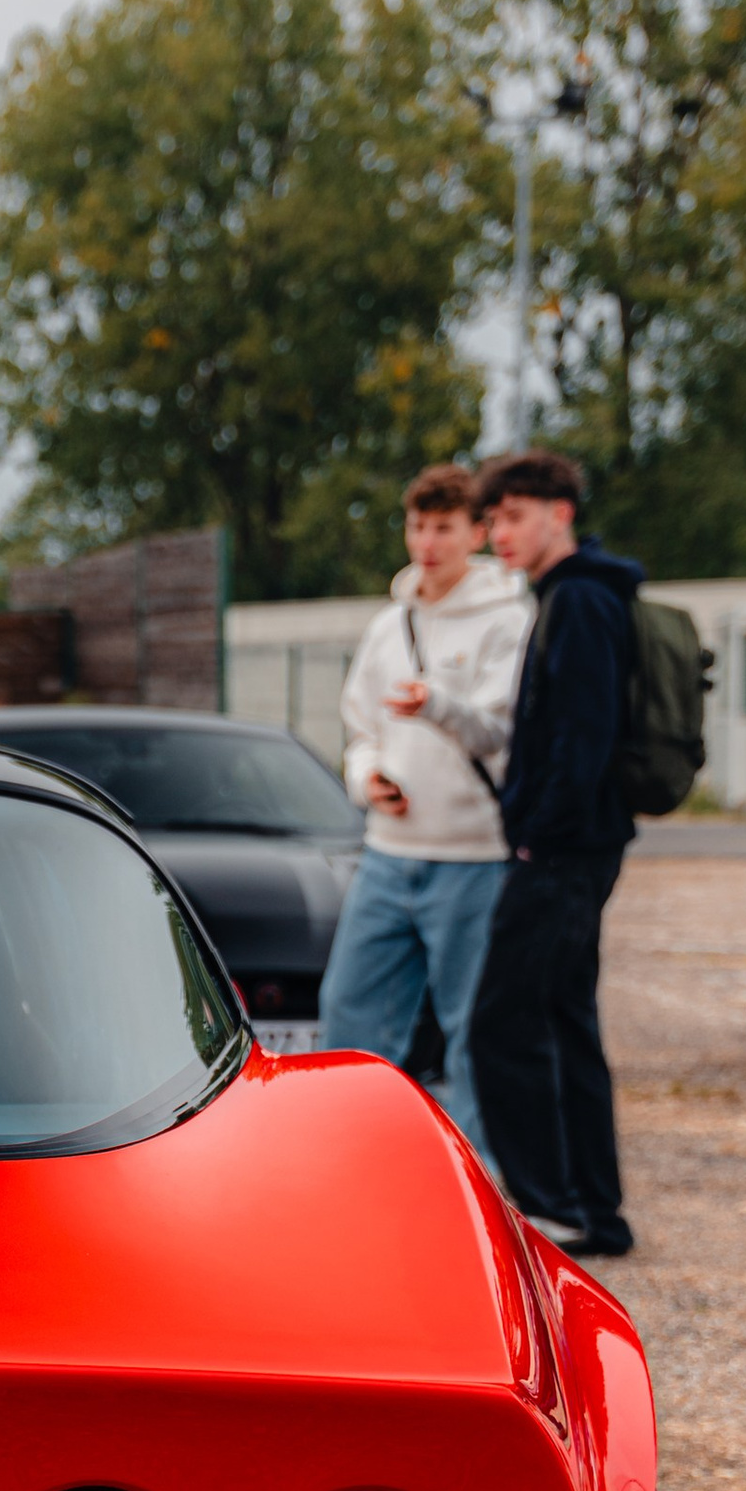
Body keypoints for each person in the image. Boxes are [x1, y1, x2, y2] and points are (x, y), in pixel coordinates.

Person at [317, 465, 527, 1163]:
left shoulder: (509, 618)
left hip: (472, 857)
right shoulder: (389, 624)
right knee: (350, 1012)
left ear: (477, 533)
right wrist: (366, 776)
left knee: (473, 1030)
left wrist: (434, 704)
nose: (428, 542)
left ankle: (478, 1185)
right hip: (388, 851)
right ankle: (351, 1163)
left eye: (444, 527)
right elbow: (359, 726)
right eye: (417, 525)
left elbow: (499, 731)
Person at [466, 451, 643, 1260]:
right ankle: (593, 1213)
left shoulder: (578, 599)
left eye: (511, 516)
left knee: (503, 1022)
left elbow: (585, 735)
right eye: (493, 519)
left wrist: (540, 832)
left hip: (565, 849)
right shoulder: (574, 597)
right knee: (564, 1018)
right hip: (575, 843)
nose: (497, 532)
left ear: (559, 513)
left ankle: (550, 1207)